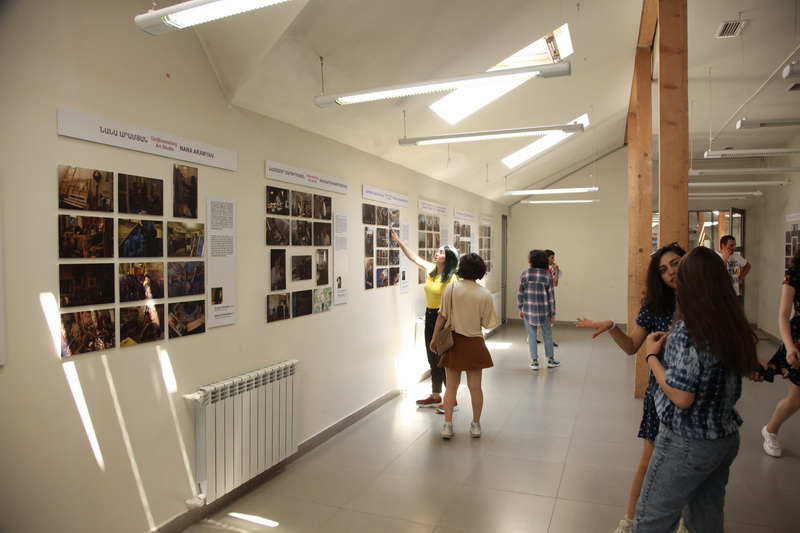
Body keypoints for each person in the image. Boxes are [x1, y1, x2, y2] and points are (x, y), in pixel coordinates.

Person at [635, 245, 759, 533]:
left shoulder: (688, 328)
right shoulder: (731, 322)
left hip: (687, 440)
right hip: (725, 436)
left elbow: (681, 396)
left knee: (650, 521)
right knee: (705, 518)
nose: (672, 275)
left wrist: (652, 357)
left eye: (678, 268)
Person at [575, 242, 685, 533]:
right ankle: (631, 519)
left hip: (691, 395)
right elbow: (631, 346)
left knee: (685, 463)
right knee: (649, 460)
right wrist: (613, 326)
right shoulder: (655, 305)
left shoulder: (704, 302)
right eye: (663, 270)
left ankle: (682, 520)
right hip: (661, 394)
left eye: (675, 264)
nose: (671, 273)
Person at [430, 253, 498, 439]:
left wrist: (434, 338)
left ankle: (447, 425)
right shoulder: (484, 294)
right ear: (480, 271)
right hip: (475, 342)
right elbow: (487, 323)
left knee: (451, 387)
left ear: (461, 268)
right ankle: (476, 425)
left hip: (454, 342)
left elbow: (442, 316)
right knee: (475, 387)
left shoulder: (451, 288)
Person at [390, 229, 458, 408]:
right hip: (430, 315)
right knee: (432, 357)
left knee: (444, 359)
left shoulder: (452, 279)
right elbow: (413, 258)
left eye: (441, 252)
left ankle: (451, 399)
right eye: (438, 250)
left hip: (444, 318)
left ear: (449, 258)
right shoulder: (432, 270)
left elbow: (451, 306)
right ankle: (436, 395)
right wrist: (398, 240)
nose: (437, 253)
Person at [760, 244, 800, 458]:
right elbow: (784, 315)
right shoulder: (794, 273)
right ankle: (771, 430)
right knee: (796, 398)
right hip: (798, 340)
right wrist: (790, 346)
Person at [518, 250, 559, 370]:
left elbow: (520, 293)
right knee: (547, 335)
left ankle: (535, 362)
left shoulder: (525, 274)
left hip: (528, 310)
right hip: (544, 311)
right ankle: (550, 360)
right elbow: (551, 296)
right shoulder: (547, 275)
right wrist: (553, 313)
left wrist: (520, 308)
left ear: (531, 261)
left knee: (532, 336)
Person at [717, 235, 751, 302]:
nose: (734, 248)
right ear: (723, 246)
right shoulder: (715, 256)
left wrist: (740, 278)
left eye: (734, 245)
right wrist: (724, 259)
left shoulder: (736, 257)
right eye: (731, 245)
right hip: (721, 294)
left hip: (735, 293)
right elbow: (716, 271)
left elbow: (747, 266)